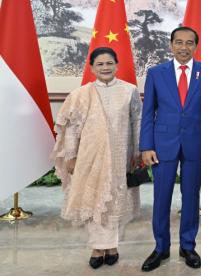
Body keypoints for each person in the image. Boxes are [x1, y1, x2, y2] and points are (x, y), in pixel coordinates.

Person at [51, 47, 142, 269]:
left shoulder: (129, 91)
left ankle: (112, 246)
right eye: (100, 64)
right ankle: (96, 248)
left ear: (116, 65)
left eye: (109, 63)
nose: (105, 68)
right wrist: (71, 156)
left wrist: (138, 152)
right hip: (89, 158)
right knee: (93, 201)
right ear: (92, 68)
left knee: (115, 201)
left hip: (121, 156)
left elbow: (137, 121)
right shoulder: (80, 94)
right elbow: (71, 128)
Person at [139, 26, 201, 271]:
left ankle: (188, 246)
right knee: (161, 197)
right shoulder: (156, 73)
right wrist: (146, 146)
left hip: (196, 144)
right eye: (179, 42)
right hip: (162, 145)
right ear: (171, 44)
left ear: (196, 46)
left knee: (191, 196)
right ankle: (160, 248)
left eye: (189, 43)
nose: (184, 47)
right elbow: (148, 113)